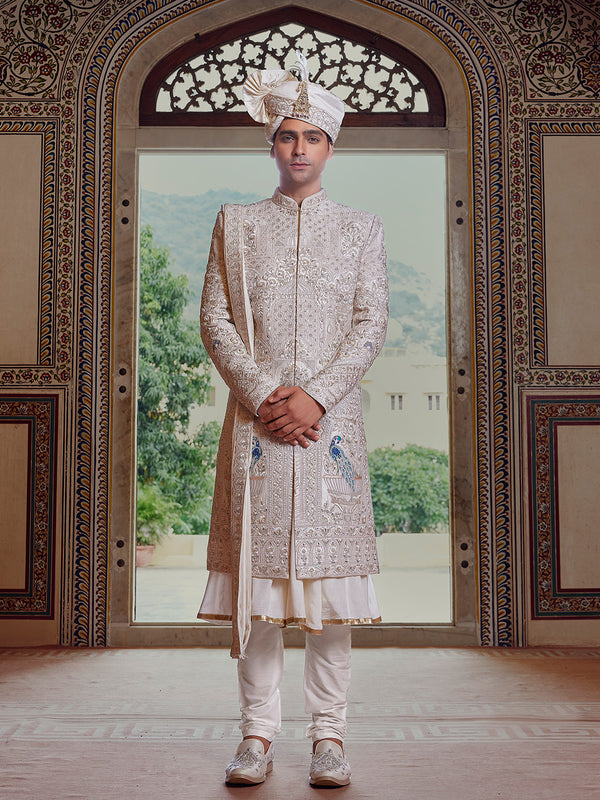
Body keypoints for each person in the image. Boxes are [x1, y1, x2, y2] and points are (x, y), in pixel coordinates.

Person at [197, 53, 388, 787]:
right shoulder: (236, 224)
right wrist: (267, 395)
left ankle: (330, 740)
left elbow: (370, 324)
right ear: (270, 145)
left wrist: (316, 398)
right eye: (287, 136)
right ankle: (256, 735)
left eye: (313, 137)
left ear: (330, 148)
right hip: (259, 432)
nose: (300, 148)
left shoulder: (361, 228)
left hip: (330, 435)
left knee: (329, 598)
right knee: (262, 595)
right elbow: (215, 320)